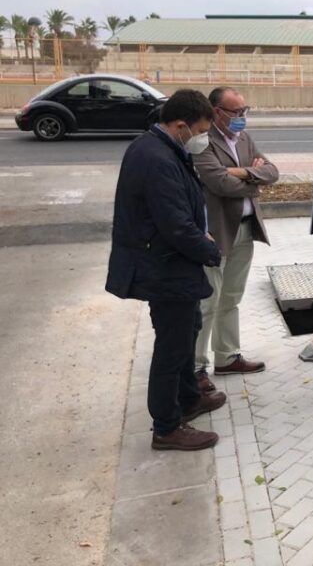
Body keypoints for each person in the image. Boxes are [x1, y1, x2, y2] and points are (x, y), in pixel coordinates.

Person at [105, 89, 225, 451]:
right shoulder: (156, 158)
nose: (203, 139)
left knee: (189, 327)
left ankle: (189, 398)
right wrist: (210, 250)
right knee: (172, 346)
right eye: (202, 131)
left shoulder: (163, 148)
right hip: (164, 266)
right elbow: (174, 224)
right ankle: (167, 426)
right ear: (180, 125)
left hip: (171, 263)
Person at [193, 87, 279, 392]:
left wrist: (240, 173)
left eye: (245, 111)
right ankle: (196, 367)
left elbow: (272, 171)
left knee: (231, 297)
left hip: (245, 228)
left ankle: (227, 356)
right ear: (217, 112)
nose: (242, 118)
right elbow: (218, 182)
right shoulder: (204, 142)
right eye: (236, 112)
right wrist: (252, 179)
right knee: (207, 300)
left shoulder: (243, 138)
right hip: (217, 231)